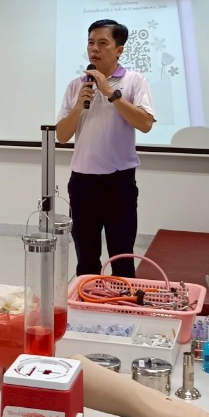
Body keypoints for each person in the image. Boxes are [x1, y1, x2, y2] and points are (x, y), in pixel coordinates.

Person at [56, 19, 156, 278]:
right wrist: (79, 106)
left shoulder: (134, 81)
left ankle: (123, 304)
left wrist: (111, 92)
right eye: (91, 43)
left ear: (119, 49)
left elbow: (145, 123)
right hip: (82, 183)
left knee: (122, 257)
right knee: (86, 258)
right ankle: (85, 303)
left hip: (118, 183)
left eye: (102, 43)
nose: (94, 49)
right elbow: (62, 136)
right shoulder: (76, 86)